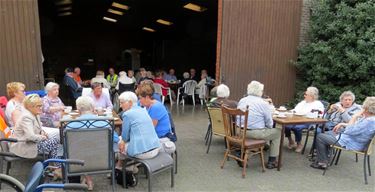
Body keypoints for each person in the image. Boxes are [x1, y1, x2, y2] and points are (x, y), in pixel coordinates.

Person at [66, 96, 119, 190]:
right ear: (93, 107)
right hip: (102, 160)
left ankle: (86, 179)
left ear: (78, 109)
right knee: (89, 149)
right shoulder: (105, 123)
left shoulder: (70, 126)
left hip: (78, 162)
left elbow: (67, 146)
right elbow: (115, 139)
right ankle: (88, 180)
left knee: (79, 151)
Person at [311, 97, 375, 169]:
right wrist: (342, 124)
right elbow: (356, 127)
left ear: (366, 108)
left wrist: (354, 117)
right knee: (328, 134)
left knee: (320, 137)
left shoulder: (369, 121)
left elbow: (348, 131)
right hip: (351, 139)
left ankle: (322, 162)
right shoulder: (370, 118)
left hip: (351, 143)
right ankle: (324, 158)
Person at [237, 81, 281, 169]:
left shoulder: (242, 100)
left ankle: (244, 154)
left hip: (240, 131)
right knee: (277, 132)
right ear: (260, 91)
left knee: (265, 131)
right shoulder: (263, 103)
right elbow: (269, 122)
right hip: (255, 133)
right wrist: (267, 128)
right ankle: (272, 161)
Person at [9, 94, 60, 166]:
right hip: (23, 145)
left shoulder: (35, 114)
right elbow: (30, 136)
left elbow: (39, 129)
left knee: (55, 142)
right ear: (30, 107)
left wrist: (42, 132)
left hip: (31, 142)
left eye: (41, 105)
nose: (41, 108)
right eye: (38, 106)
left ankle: (54, 167)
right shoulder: (26, 117)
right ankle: (55, 167)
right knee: (56, 142)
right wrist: (43, 137)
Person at [118, 91, 161, 159]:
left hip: (143, 152)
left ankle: (122, 166)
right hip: (156, 148)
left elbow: (125, 137)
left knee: (119, 141)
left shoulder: (127, 114)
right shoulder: (143, 110)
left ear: (130, 102)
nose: (120, 106)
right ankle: (128, 165)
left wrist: (122, 141)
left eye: (122, 103)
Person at [137, 83, 176, 153]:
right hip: (155, 135)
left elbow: (150, 129)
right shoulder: (146, 105)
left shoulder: (156, 107)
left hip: (162, 137)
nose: (139, 101)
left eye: (140, 98)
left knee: (133, 142)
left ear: (147, 97)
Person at [285, 87, 324, 153]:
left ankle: (299, 144)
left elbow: (319, 115)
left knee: (297, 128)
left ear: (311, 96)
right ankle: (291, 141)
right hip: (296, 120)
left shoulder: (318, 104)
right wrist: (287, 112)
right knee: (286, 125)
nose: (304, 96)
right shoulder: (303, 102)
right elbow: (295, 110)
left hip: (309, 122)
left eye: (306, 94)